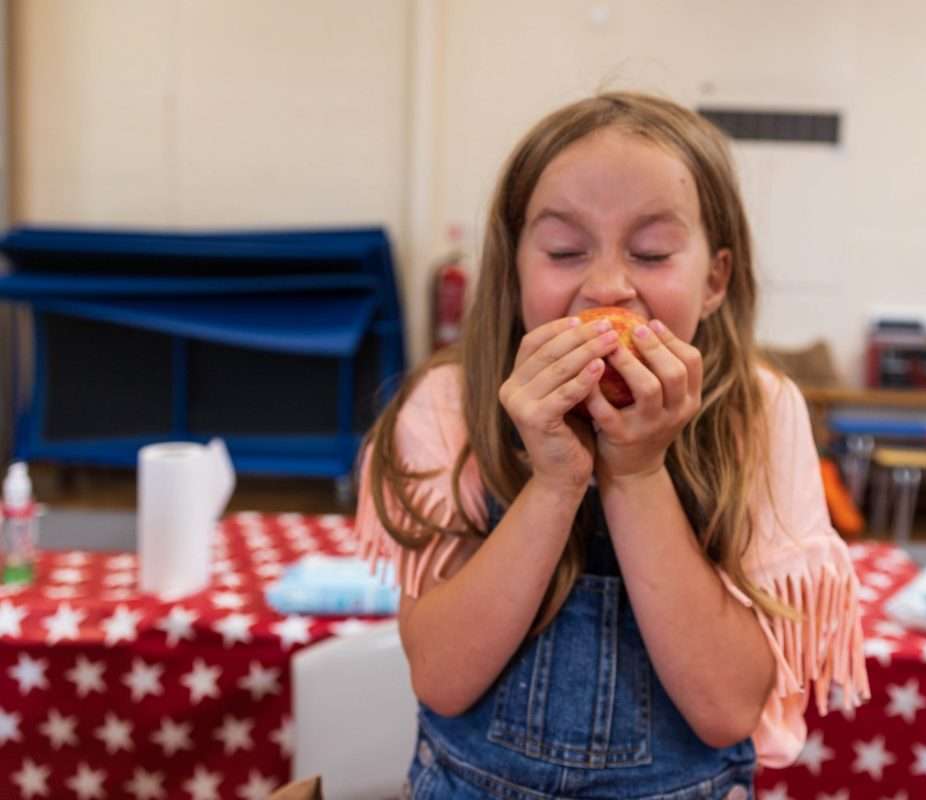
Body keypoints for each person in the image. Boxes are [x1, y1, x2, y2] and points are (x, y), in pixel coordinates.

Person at [354, 91, 868, 799]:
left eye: (652, 252)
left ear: (714, 279)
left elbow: (724, 711)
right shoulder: (449, 405)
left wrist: (638, 471)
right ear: (514, 270)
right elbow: (441, 678)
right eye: (565, 250)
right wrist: (555, 481)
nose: (605, 288)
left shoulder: (759, 413)